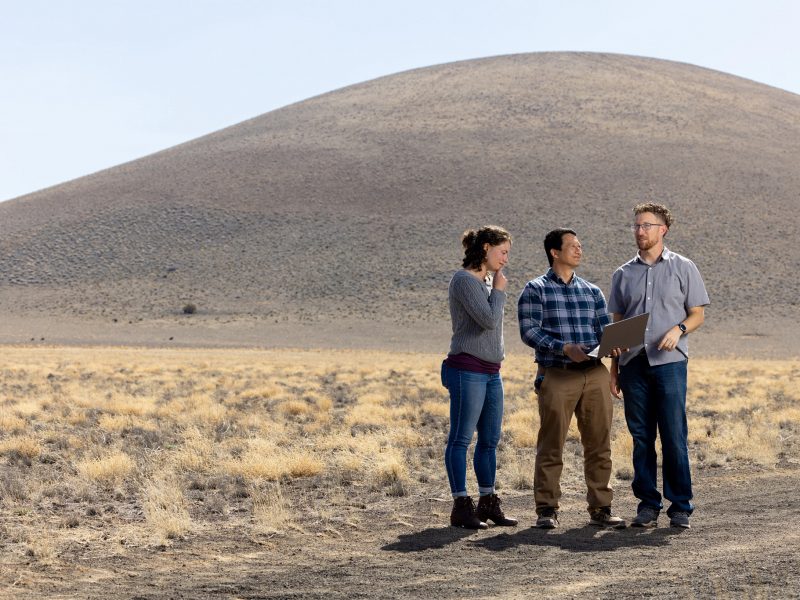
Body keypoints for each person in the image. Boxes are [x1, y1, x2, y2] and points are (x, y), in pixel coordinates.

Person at [608, 203, 709, 529]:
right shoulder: (623, 274)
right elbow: (618, 323)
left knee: (674, 435)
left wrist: (677, 330)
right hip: (633, 364)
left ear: (663, 229)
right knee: (641, 437)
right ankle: (647, 505)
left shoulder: (683, 267)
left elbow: (697, 314)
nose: (640, 231)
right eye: (636, 225)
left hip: (669, 364)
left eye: (647, 225)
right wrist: (614, 369)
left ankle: (680, 507)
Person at [518, 229, 626, 529]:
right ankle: (547, 509)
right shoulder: (535, 289)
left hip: (594, 374)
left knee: (599, 443)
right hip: (557, 374)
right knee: (552, 444)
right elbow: (529, 332)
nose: (579, 250)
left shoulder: (591, 291)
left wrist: (614, 346)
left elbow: (605, 330)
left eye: (580, 245)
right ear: (554, 252)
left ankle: (601, 508)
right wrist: (563, 347)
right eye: (572, 246)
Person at [442, 225, 518, 529]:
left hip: (491, 372)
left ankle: (488, 502)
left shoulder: (487, 281)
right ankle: (461, 505)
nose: (506, 259)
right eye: (503, 252)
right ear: (486, 248)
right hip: (466, 369)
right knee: (461, 439)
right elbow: (487, 321)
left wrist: (495, 288)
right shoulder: (464, 281)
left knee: (490, 440)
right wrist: (499, 292)